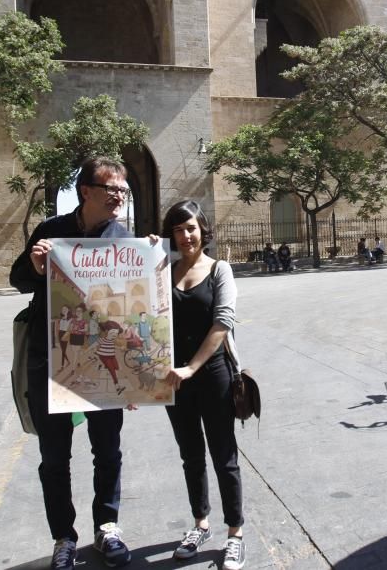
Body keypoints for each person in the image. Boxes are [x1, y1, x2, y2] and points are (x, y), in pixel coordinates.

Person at [9, 156, 135, 570]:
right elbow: (17, 280)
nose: (119, 197)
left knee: (108, 449)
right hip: (53, 358)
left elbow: (137, 302)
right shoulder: (51, 231)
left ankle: (108, 526)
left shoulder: (124, 237)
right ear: (86, 192)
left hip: (102, 362)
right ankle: (64, 537)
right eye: (111, 189)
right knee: (55, 457)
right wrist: (35, 265)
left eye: (123, 190)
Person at [161, 200, 246, 570]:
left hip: (212, 375)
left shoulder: (219, 270)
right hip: (175, 381)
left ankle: (235, 533)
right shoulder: (162, 271)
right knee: (190, 455)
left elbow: (222, 323)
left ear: (203, 230)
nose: (185, 236)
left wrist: (191, 367)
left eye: (191, 228)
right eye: (178, 230)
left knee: (223, 456)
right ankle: (200, 523)